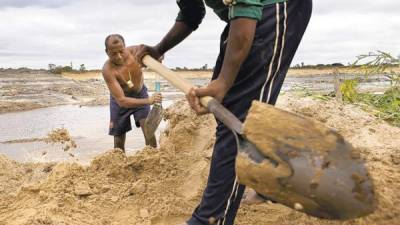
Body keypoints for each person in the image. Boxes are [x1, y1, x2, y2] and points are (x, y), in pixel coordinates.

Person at [136, 0, 312, 224]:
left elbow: (246, 9)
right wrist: (160, 48)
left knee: (237, 117)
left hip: (274, 8)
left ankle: (210, 218)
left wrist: (224, 81)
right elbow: (192, 12)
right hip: (242, 17)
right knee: (233, 112)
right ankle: (270, 180)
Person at [102, 34, 162, 151]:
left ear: (125, 47)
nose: (119, 57)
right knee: (118, 140)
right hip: (120, 100)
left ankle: (153, 159)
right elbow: (122, 101)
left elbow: (158, 53)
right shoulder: (107, 70)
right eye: (113, 53)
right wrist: (149, 101)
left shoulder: (136, 52)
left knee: (148, 129)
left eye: (121, 51)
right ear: (107, 52)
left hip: (140, 93)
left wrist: (158, 56)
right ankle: (119, 165)